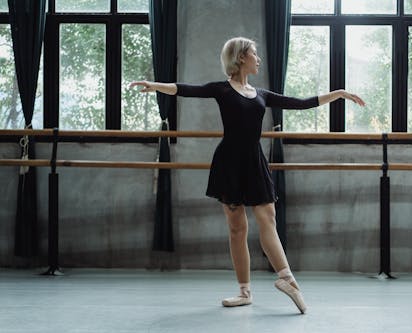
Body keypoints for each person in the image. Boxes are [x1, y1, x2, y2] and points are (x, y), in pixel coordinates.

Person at [130, 37, 365, 314]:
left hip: (254, 161)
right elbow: (184, 89)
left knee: (268, 217)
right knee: (237, 229)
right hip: (229, 162)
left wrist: (337, 93)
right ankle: (244, 291)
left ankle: (287, 278)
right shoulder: (221, 89)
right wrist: (153, 85)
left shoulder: (262, 94)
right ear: (241, 58)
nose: (258, 58)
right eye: (254, 54)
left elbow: (300, 103)